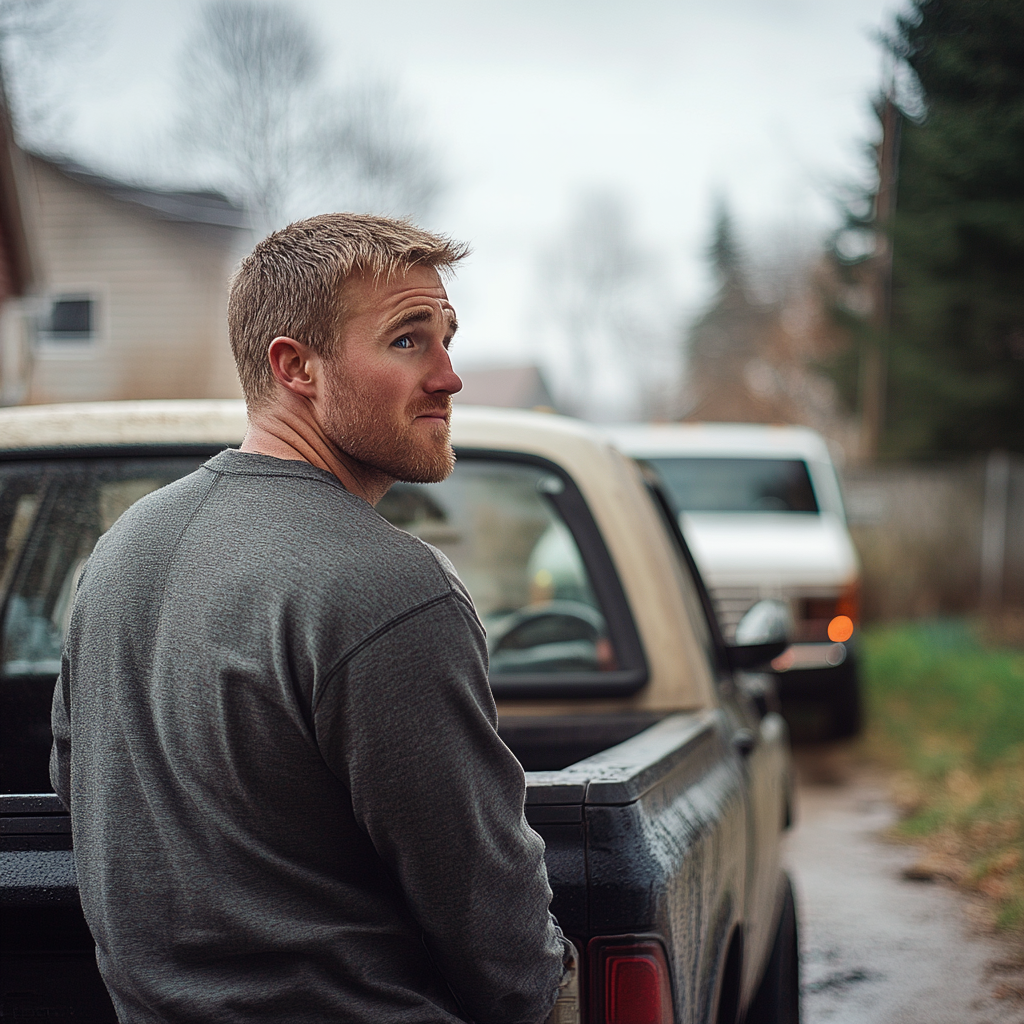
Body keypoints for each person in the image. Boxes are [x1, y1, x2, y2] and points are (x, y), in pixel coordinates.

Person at [50, 213, 574, 1023]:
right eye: (409, 341)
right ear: (296, 367)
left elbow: (75, 779)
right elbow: (485, 912)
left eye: (448, 338)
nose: (449, 377)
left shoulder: (121, 551)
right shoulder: (389, 588)